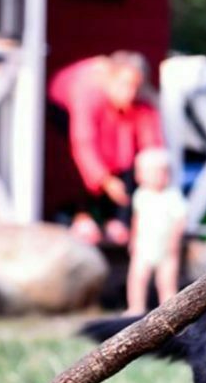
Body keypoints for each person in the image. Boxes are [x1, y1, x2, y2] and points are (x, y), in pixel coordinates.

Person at [48, 51, 164, 245]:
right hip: (60, 104)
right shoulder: (87, 91)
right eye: (125, 86)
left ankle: (118, 222)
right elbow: (83, 142)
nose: (131, 93)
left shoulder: (139, 96)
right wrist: (106, 180)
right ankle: (84, 218)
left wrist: (154, 173)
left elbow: (150, 144)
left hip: (105, 109)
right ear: (110, 80)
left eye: (135, 86)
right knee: (84, 163)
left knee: (121, 154)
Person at [126, 146, 188, 313]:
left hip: (166, 249)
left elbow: (180, 220)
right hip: (144, 246)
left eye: (164, 172)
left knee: (167, 281)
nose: (161, 176)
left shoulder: (172, 196)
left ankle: (169, 311)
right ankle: (135, 307)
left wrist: (174, 241)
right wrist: (133, 239)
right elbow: (136, 219)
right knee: (137, 278)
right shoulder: (141, 195)